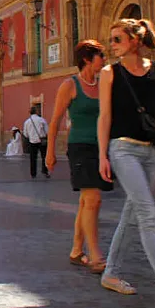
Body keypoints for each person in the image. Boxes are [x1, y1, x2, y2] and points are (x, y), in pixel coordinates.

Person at [97, 19, 155, 307]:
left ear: (135, 41)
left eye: (117, 40)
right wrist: (102, 154)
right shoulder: (108, 73)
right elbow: (105, 117)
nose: (112, 46)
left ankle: (111, 273)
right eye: (111, 40)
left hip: (154, 151)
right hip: (122, 149)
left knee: (133, 212)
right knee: (147, 213)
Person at [46, 40, 111, 273]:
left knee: (87, 201)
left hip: (100, 148)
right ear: (87, 58)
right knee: (93, 199)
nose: (105, 60)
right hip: (80, 147)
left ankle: (76, 250)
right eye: (101, 56)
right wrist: (50, 152)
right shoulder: (70, 85)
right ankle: (96, 256)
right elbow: (54, 122)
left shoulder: (103, 84)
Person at [23, 107, 50, 179]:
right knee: (44, 157)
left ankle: (33, 173)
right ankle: (45, 171)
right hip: (42, 141)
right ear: (36, 112)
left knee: (33, 158)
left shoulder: (27, 122)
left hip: (32, 142)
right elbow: (47, 131)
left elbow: (25, 134)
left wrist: (31, 136)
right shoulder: (42, 120)